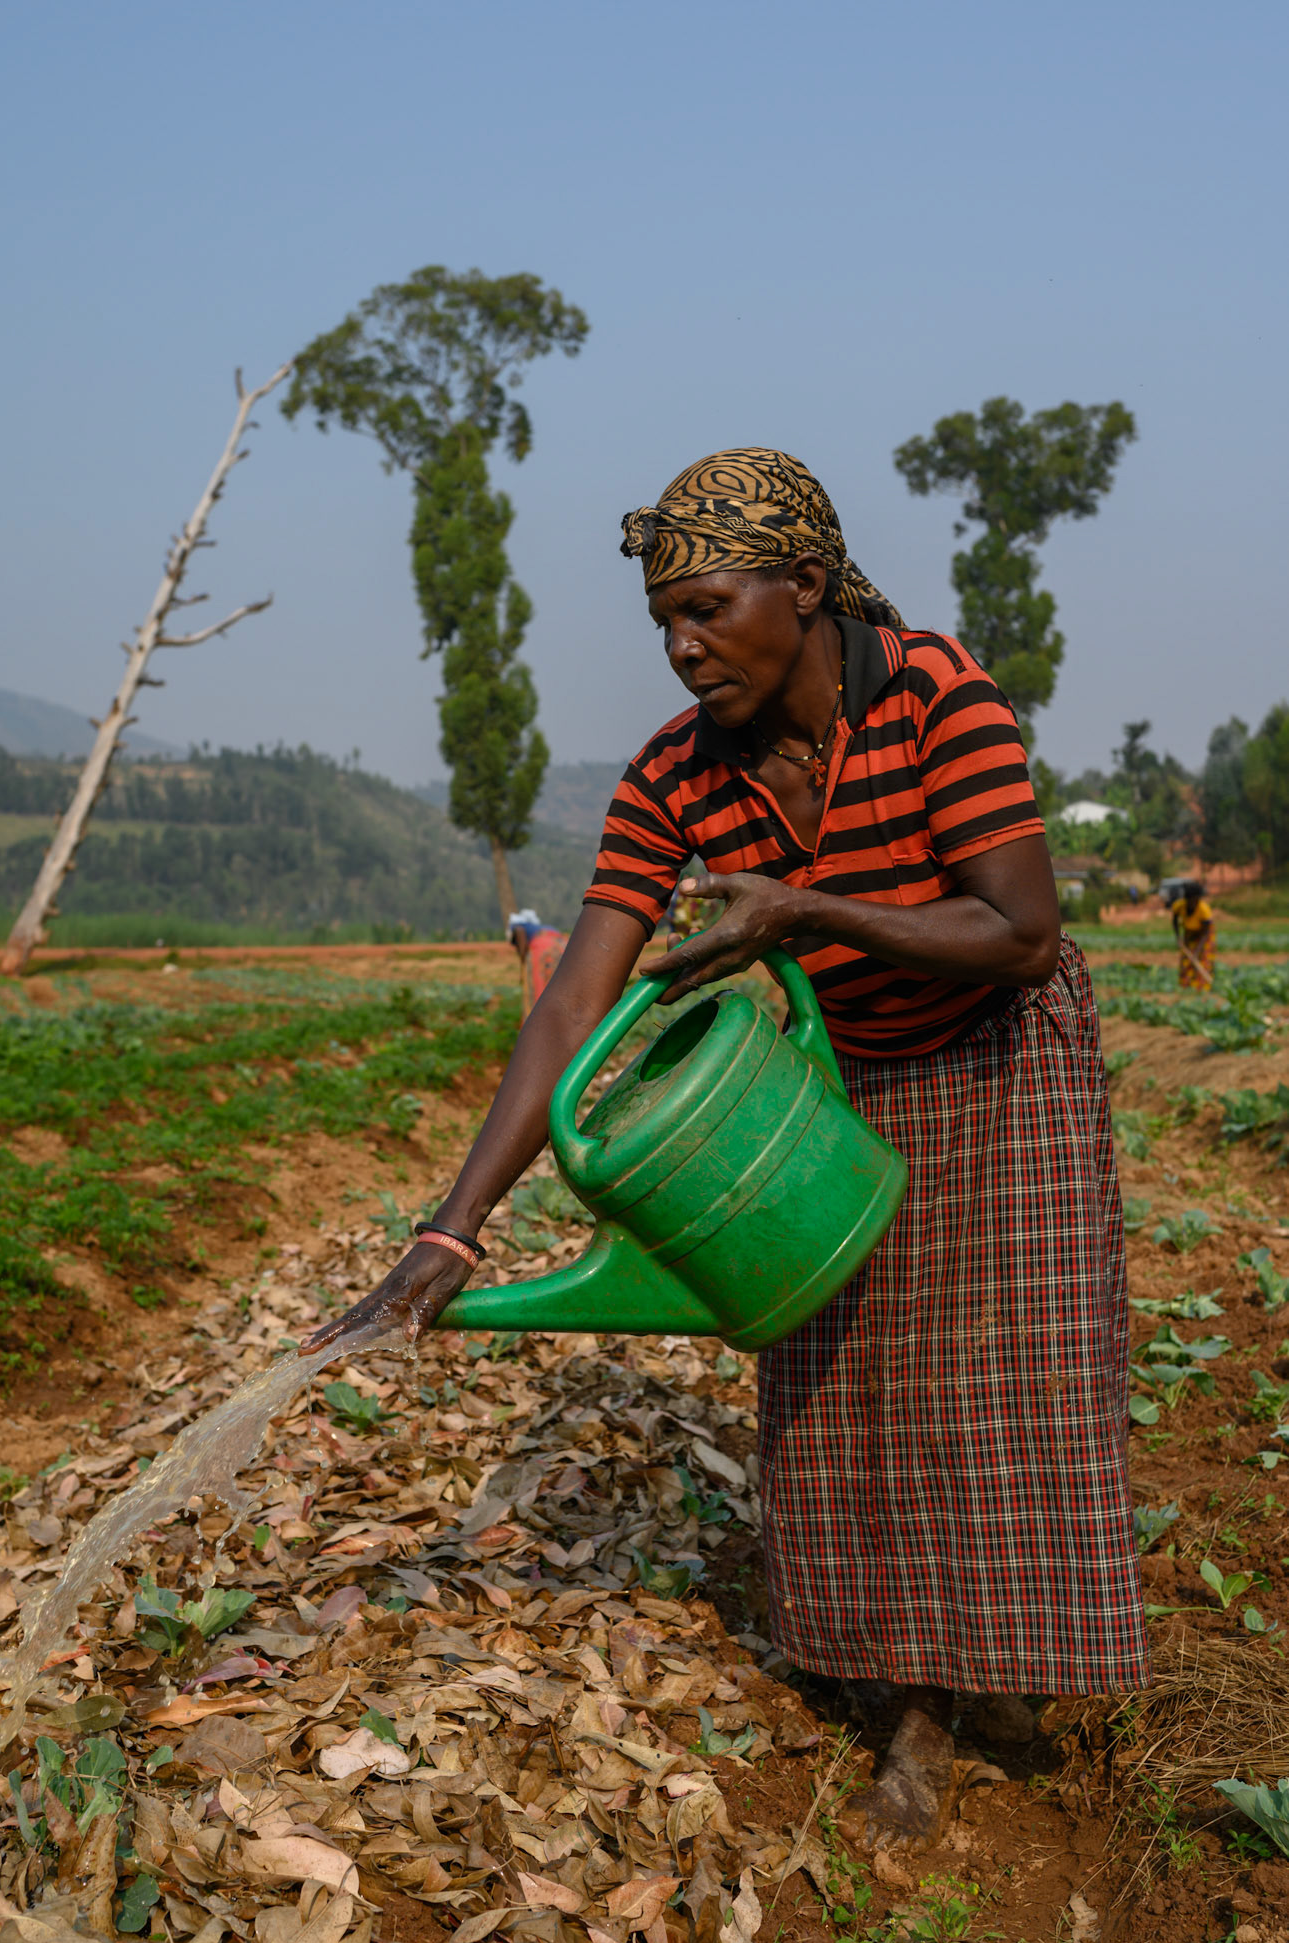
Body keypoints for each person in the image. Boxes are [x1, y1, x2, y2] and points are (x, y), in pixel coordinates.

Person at [306, 449, 1148, 1847]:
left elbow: (1018, 932)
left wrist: (801, 911)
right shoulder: (673, 776)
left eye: (705, 610)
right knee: (845, 1384)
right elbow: (570, 1005)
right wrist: (450, 1231)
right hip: (842, 1076)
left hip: (999, 1053)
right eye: (664, 623)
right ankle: (912, 1691)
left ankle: (984, 1676)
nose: (683, 647)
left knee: (1010, 1375)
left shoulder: (937, 694)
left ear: (804, 585)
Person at [506, 908, 567, 1017]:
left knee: (538, 985)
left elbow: (519, 933)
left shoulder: (516, 926)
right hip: (562, 945)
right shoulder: (538, 927)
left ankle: (539, 1018)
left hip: (542, 947)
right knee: (558, 984)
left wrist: (523, 960)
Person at [1172, 877, 1216, 990]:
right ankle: (1185, 986)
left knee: (1203, 958)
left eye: (1195, 899)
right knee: (1186, 959)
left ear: (1198, 898)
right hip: (1189, 932)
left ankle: (1203, 987)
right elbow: (1175, 921)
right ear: (1186, 899)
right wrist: (1178, 937)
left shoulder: (1204, 910)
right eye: (1190, 899)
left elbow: (1205, 933)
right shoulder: (1179, 906)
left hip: (1204, 934)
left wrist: (1197, 951)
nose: (1192, 902)